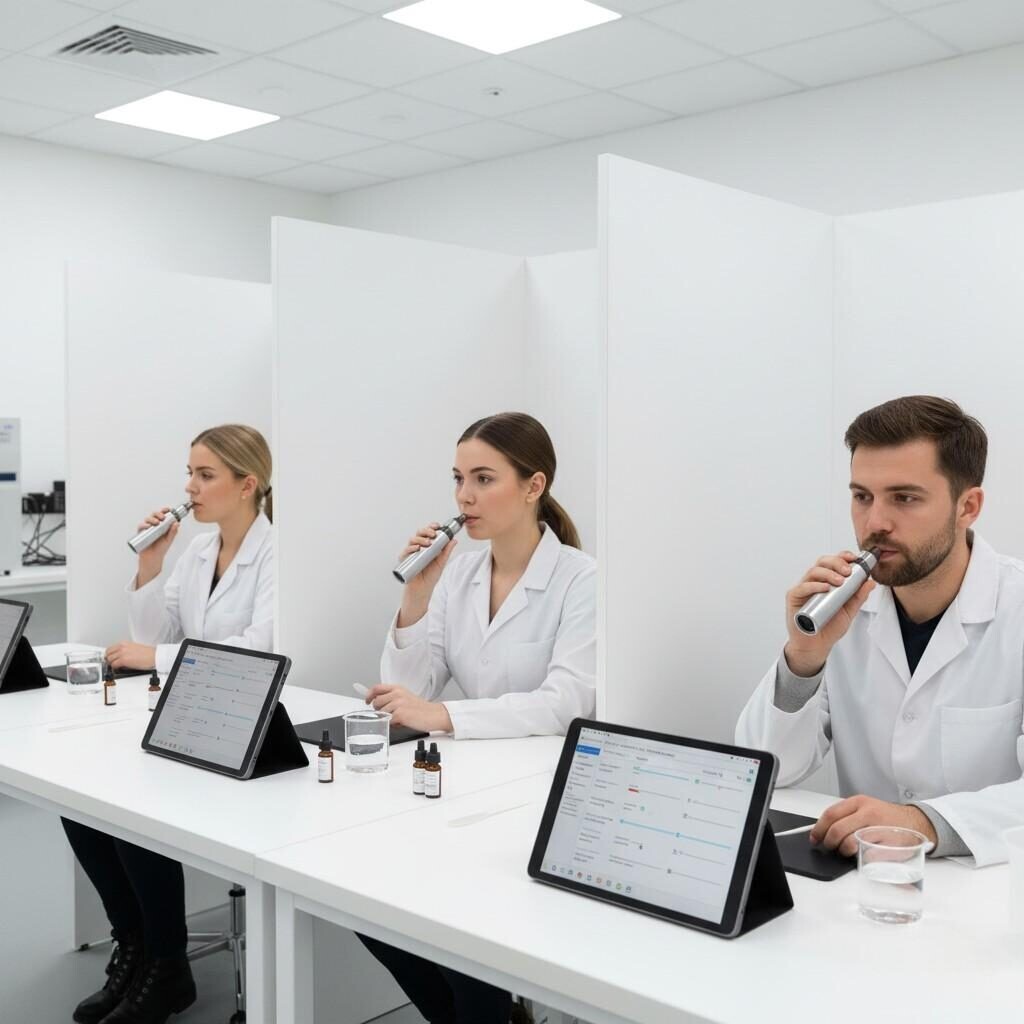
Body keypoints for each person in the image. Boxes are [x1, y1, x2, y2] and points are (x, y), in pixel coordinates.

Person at [360, 411, 596, 1023]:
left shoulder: (580, 580)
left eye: (484, 478)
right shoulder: (459, 571)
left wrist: (444, 715)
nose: (465, 496)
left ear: (534, 485)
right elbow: (409, 690)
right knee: (368, 904)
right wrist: (416, 596)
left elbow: (566, 702)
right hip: (465, 779)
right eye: (458, 478)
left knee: (464, 932)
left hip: (541, 787)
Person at [737, 396, 1024, 868]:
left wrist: (924, 822)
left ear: (967, 506)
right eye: (862, 496)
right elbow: (761, 770)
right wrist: (803, 659)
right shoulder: (840, 611)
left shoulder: (1014, 610)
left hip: (990, 895)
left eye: (905, 498)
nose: (875, 524)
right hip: (866, 891)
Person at [65, 424, 274, 1024]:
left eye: (204, 475)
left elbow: (256, 648)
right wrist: (152, 564)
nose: (189, 487)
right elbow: (158, 636)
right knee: (80, 801)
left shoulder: (274, 554)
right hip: (195, 711)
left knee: (134, 803)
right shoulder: (198, 552)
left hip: (248, 721)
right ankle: (137, 946)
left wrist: (151, 657)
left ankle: (167, 963)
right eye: (190, 473)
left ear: (247, 485)